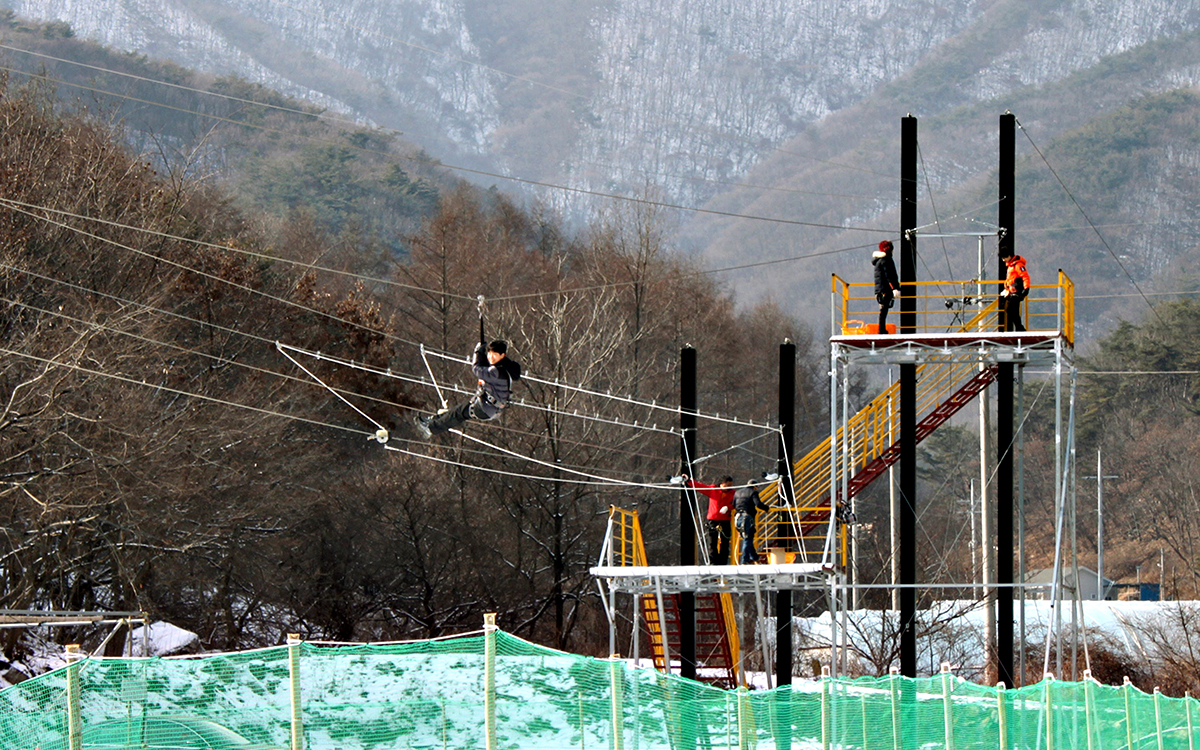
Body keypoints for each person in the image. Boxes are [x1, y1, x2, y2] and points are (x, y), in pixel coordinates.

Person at [416, 340, 521, 437]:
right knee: (456, 411)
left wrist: (478, 352)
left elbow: (476, 369)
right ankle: (432, 422)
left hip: (485, 408)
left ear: (502, 355)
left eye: (494, 355)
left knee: (457, 414)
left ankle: (430, 428)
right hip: (489, 406)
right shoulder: (507, 368)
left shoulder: (496, 372)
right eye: (489, 354)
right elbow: (486, 367)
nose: (490, 357)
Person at [682, 474, 734, 565]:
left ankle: (723, 562)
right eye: (727, 485)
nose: (728, 488)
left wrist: (728, 507)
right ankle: (713, 561)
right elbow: (700, 486)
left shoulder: (733, 493)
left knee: (725, 542)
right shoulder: (713, 490)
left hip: (725, 520)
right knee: (712, 542)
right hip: (713, 520)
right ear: (721, 484)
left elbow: (736, 503)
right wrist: (689, 481)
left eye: (730, 485)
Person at [733, 479, 773, 565]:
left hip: (738, 518)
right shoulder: (753, 492)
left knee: (747, 539)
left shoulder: (737, 493)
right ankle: (744, 560)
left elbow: (733, 505)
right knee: (748, 539)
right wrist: (766, 508)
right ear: (755, 487)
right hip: (747, 518)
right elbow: (758, 504)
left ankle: (755, 558)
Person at [872, 240, 900, 333]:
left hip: (880, 289)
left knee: (883, 310)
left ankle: (882, 329)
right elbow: (889, 276)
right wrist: (894, 288)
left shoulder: (878, 261)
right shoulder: (886, 260)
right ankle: (881, 330)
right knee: (884, 311)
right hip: (886, 289)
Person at [1000, 251, 1031, 332]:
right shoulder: (1011, 266)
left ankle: (1020, 328)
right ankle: (1019, 328)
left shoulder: (1018, 265)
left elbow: (1025, 277)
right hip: (1012, 291)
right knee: (1013, 311)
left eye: (1004, 258)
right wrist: (1006, 284)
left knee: (1010, 309)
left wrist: (1026, 289)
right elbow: (1011, 278)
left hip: (1017, 291)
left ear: (1009, 256)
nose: (1004, 260)